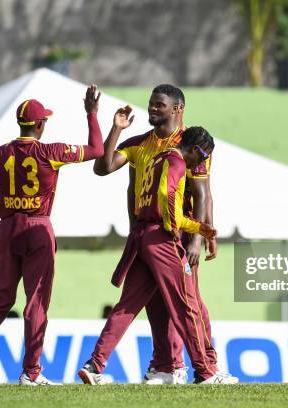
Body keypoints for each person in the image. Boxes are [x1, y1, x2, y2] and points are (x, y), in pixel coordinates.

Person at [0, 86, 104, 386]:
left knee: (0, 300)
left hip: (7, 230)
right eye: (44, 120)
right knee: (35, 303)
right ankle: (31, 372)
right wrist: (92, 113)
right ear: (38, 125)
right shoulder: (51, 152)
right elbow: (97, 150)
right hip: (38, 228)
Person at [80, 127, 236, 385]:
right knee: (187, 306)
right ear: (195, 150)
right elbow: (167, 196)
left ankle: (94, 365)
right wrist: (178, 227)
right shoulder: (176, 161)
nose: (202, 163)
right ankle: (206, 372)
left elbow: (146, 197)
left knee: (126, 307)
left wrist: (198, 228)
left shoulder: (156, 159)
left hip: (141, 235)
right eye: (203, 156)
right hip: (161, 240)